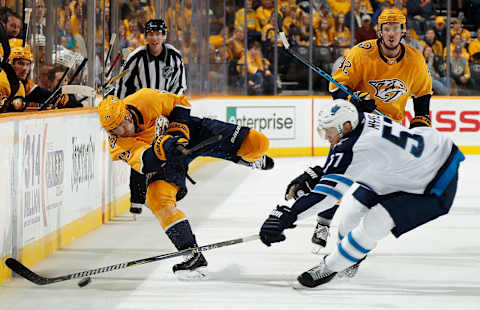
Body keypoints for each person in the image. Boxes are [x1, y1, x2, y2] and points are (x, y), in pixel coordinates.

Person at [259, 99, 464, 288]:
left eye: (329, 130)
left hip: (435, 181)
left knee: (377, 221)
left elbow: (328, 195)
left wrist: (288, 215)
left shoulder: (357, 146)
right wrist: (322, 172)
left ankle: (330, 267)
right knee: (349, 216)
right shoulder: (363, 118)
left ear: (347, 126)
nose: (326, 136)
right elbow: (353, 158)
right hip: (402, 171)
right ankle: (349, 257)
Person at [285, 8, 433, 256]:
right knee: (339, 175)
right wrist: (356, 103)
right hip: (356, 124)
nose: (391, 34)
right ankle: (323, 223)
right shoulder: (361, 53)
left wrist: (420, 124)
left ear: (403, 31)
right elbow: (337, 88)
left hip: (389, 128)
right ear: (380, 31)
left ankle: (357, 240)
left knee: (376, 184)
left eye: (396, 28)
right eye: (387, 29)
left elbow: (423, 95)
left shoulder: (415, 60)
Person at [97, 88, 274, 278]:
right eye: (114, 129)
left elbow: (180, 102)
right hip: (166, 159)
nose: (122, 131)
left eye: (122, 123)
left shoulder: (144, 99)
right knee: (157, 198)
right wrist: (164, 147)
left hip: (189, 131)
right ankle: (191, 253)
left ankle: (243, 157)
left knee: (258, 143)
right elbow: (145, 162)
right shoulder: (117, 144)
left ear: (127, 114)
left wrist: (176, 131)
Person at [116, 19, 188, 215]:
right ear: (146, 36)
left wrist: (171, 111)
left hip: (166, 113)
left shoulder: (174, 57)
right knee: (142, 153)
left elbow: (180, 86)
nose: (155, 38)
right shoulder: (136, 57)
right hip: (141, 114)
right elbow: (122, 86)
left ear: (164, 36)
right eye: (151, 34)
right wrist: (123, 112)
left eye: (158, 33)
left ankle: (168, 192)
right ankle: (137, 200)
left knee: (170, 150)